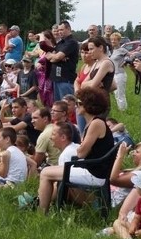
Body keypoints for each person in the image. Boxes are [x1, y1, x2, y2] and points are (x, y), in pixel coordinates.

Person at [38, 86, 115, 214]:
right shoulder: (93, 123)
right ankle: (42, 205)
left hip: (94, 174)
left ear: (89, 106)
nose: (76, 106)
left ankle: (41, 212)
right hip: (93, 169)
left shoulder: (96, 124)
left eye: (79, 103)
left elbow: (81, 153)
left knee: (45, 173)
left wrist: (82, 147)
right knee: (49, 171)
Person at [110, 140, 141, 209]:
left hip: (111, 202)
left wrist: (120, 156)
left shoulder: (139, 175)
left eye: (137, 152)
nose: (133, 153)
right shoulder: (137, 171)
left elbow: (113, 179)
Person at [46, 20, 79, 102]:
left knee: (67, 105)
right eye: (58, 30)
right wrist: (56, 57)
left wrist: (56, 57)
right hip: (56, 79)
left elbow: (56, 57)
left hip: (65, 80)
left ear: (68, 29)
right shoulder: (60, 43)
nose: (59, 32)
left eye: (61, 30)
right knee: (58, 106)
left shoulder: (72, 42)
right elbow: (49, 57)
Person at [82, 36, 115, 117]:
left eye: (91, 49)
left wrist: (92, 84)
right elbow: (83, 84)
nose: (89, 52)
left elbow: (92, 85)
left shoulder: (106, 63)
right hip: (92, 102)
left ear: (100, 47)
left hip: (101, 103)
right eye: (89, 49)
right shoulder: (96, 62)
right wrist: (93, 83)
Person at [74, 41, 94, 131]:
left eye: (86, 53)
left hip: (91, 103)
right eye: (82, 52)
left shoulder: (96, 67)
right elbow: (77, 81)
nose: (83, 55)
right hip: (80, 102)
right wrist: (77, 90)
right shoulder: (84, 66)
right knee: (82, 130)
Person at [109, 32, 129, 111]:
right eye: (112, 40)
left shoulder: (122, 50)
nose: (113, 41)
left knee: (120, 93)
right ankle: (119, 108)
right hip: (113, 74)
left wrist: (125, 61)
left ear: (119, 41)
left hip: (120, 74)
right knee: (116, 93)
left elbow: (130, 55)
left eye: (115, 40)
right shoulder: (112, 51)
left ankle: (123, 110)